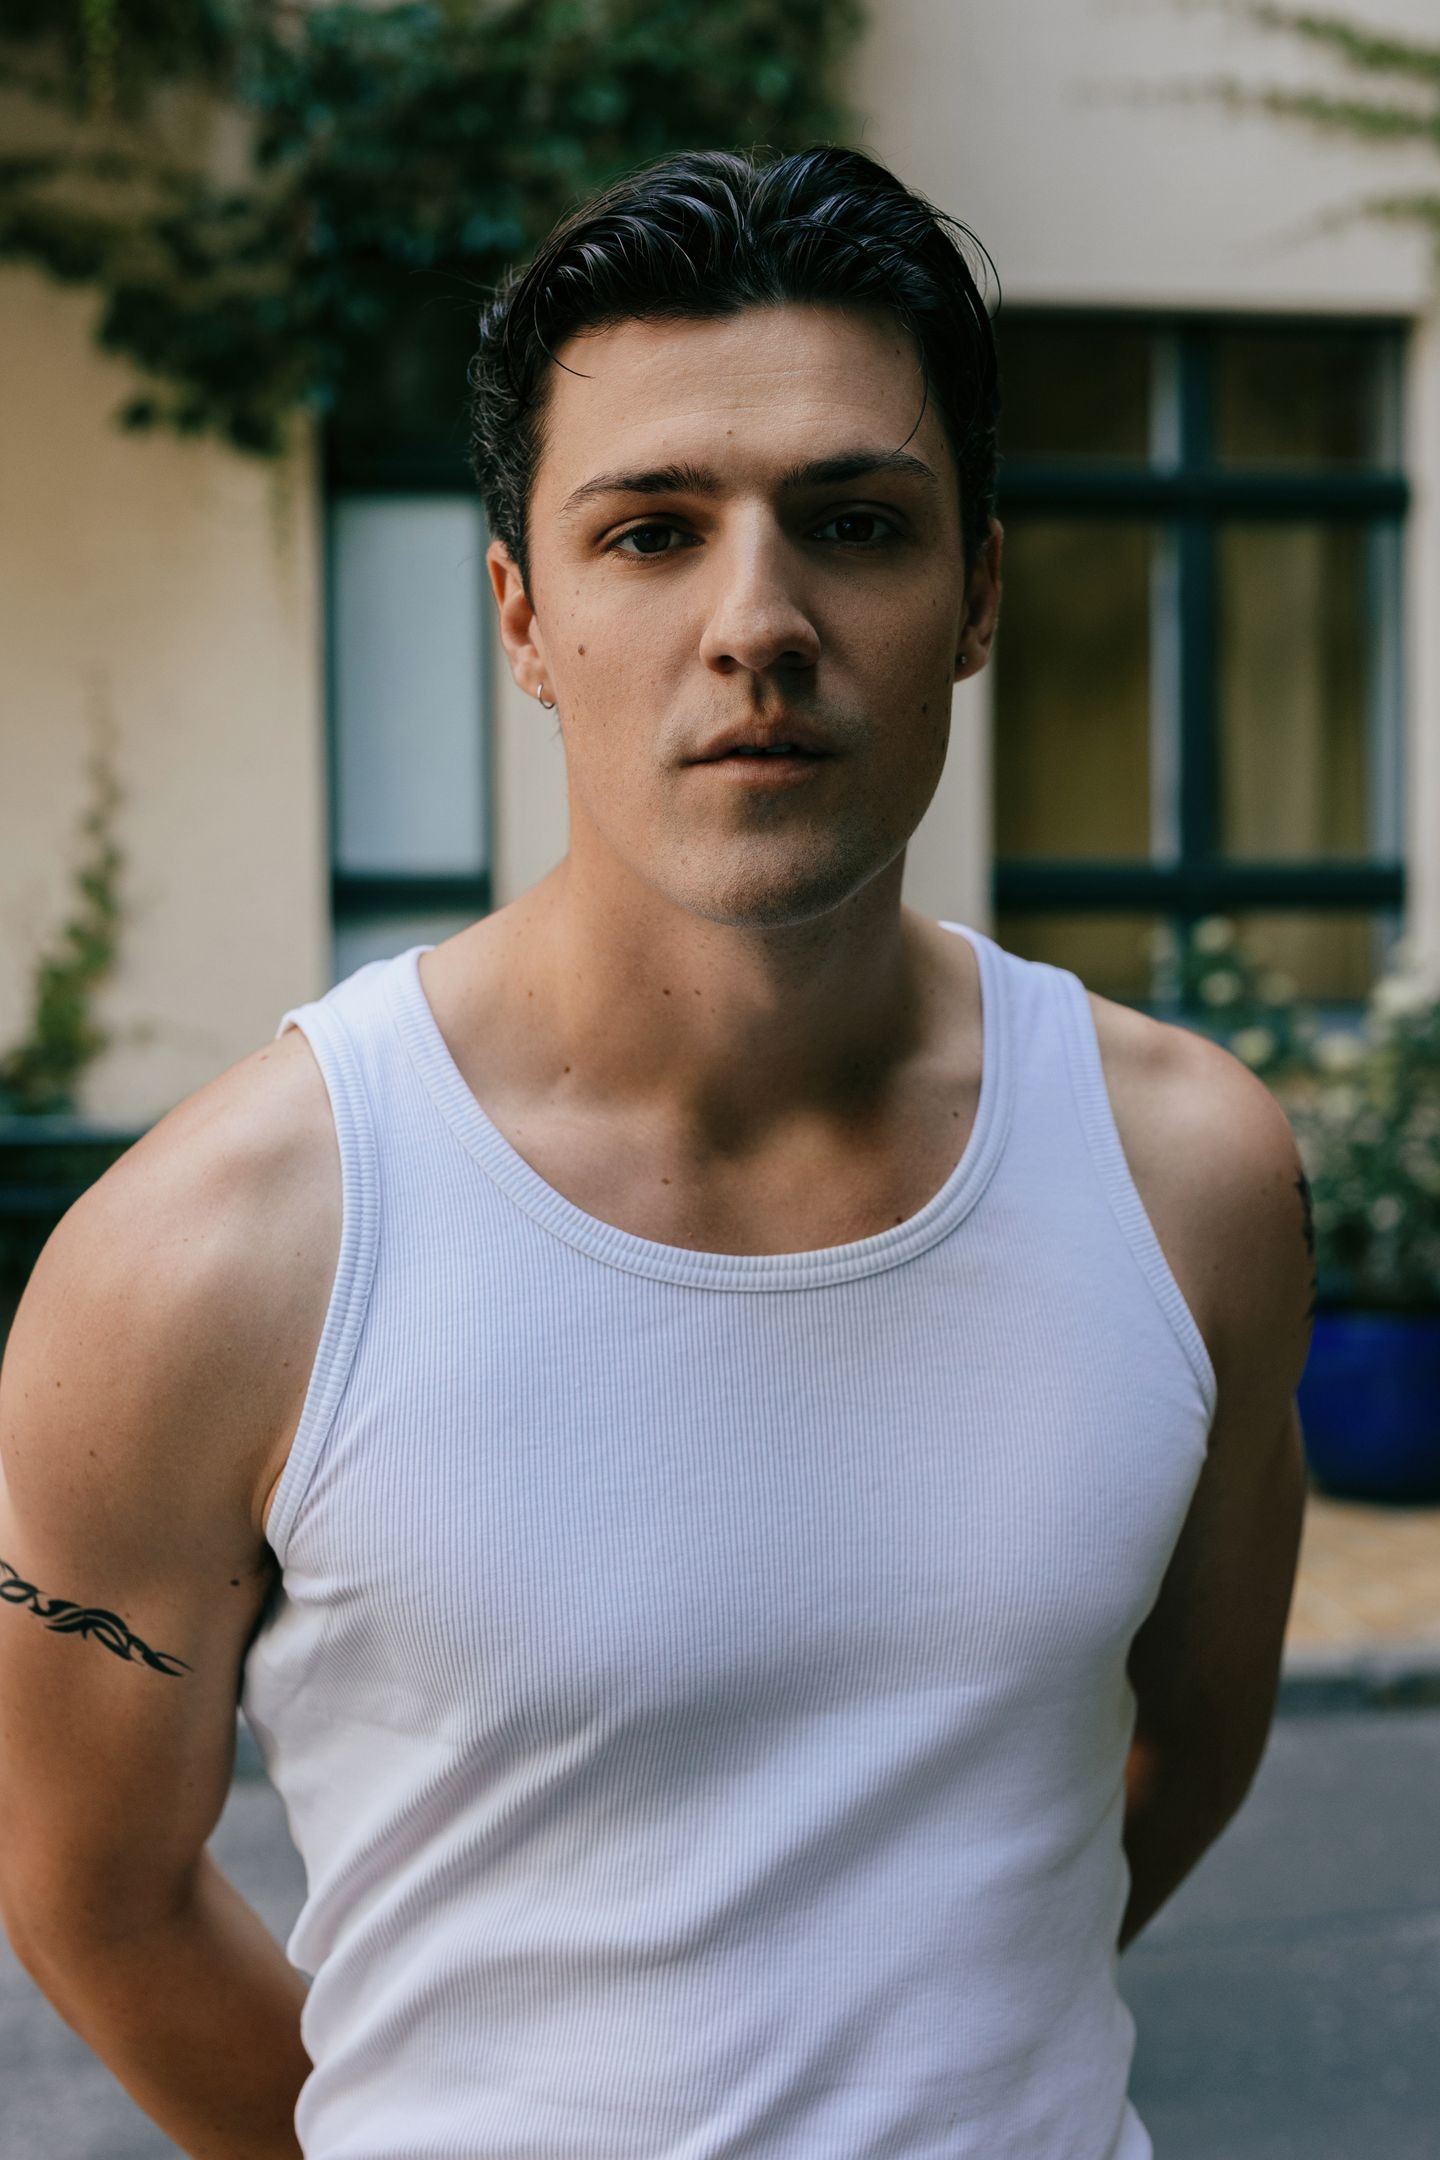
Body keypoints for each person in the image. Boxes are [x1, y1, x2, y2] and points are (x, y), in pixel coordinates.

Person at [0, 145, 1313, 2159]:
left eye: (855, 523)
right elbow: (93, 1892)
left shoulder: (1194, 1179)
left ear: (974, 595)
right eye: (651, 534)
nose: (757, 622)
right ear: (524, 617)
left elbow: (1189, 1752)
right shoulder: (211, 1255)